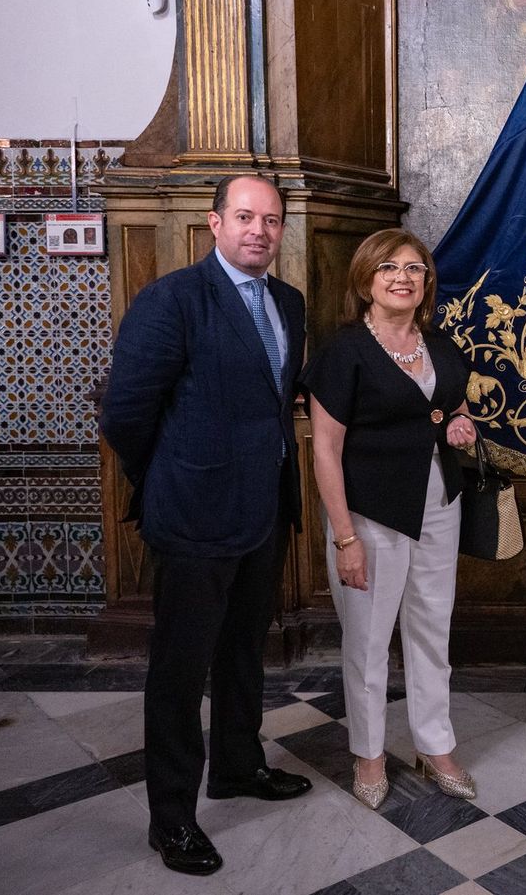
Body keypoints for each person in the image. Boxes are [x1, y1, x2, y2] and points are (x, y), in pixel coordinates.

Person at [101, 175, 312, 877]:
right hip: (193, 515)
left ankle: (239, 766)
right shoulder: (173, 299)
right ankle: (173, 818)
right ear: (214, 222)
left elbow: (274, 405)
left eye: (271, 220)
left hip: (264, 513)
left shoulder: (289, 302)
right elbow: (127, 414)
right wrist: (167, 479)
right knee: (180, 670)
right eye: (245, 216)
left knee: (245, 651)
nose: (259, 230)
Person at [304, 228, 479, 808]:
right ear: (366, 279)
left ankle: (435, 745)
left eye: (414, 268)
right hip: (370, 515)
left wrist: (460, 422)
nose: (402, 277)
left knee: (432, 631)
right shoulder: (343, 351)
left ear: (426, 282)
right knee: (368, 640)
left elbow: (450, 407)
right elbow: (325, 449)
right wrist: (346, 538)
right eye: (389, 267)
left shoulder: (442, 347)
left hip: (438, 506)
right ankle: (370, 755)